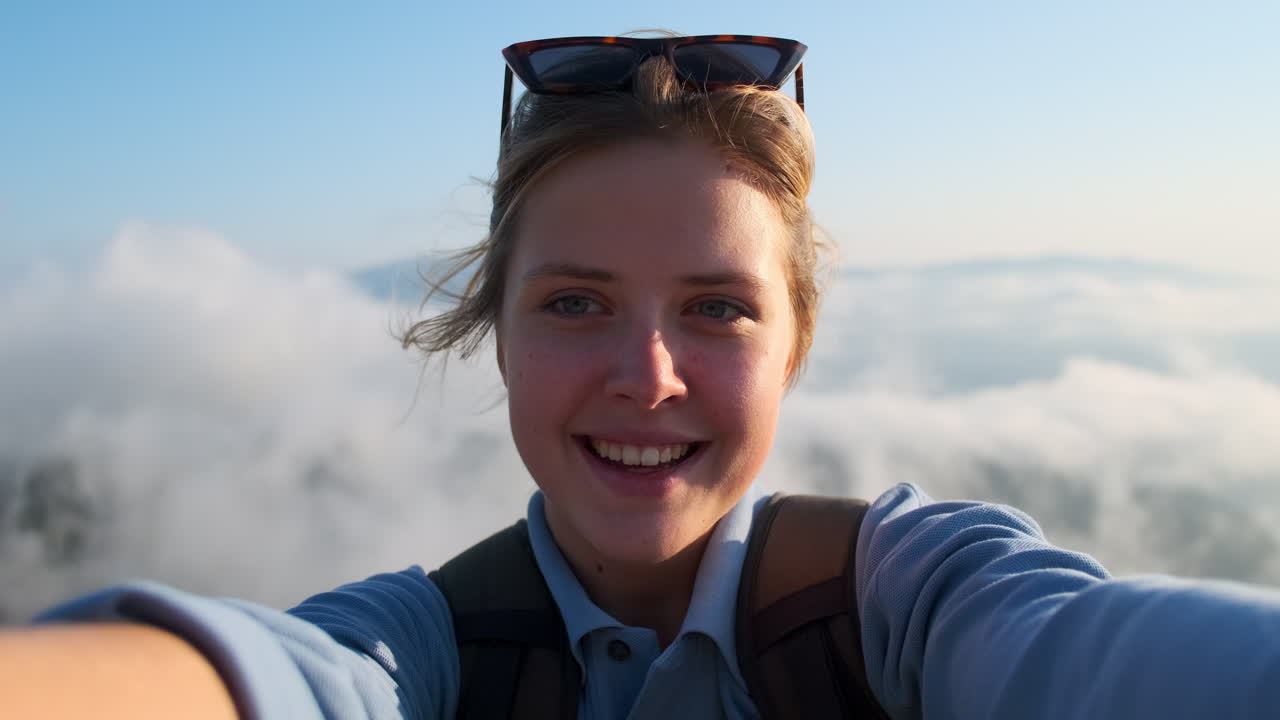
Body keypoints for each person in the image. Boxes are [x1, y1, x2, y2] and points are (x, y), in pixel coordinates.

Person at [3, 34, 1280, 720]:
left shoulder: (909, 605)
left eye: (716, 309)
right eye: (574, 303)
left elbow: (1082, 653)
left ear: (793, 345)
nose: (646, 375)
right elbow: (267, 684)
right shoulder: (423, 654)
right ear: (497, 334)